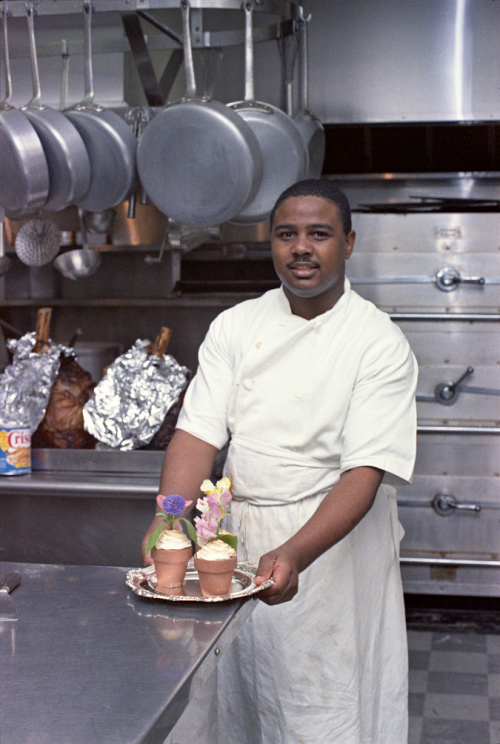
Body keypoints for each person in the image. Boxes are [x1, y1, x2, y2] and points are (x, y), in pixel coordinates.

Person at [141, 179, 418, 744]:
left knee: (321, 708)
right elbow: (196, 435)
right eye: (286, 234)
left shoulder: (377, 341)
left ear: (349, 243)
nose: (300, 248)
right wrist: (170, 518)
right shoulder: (237, 326)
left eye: (319, 234)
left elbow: (363, 474)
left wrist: (295, 551)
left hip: (331, 547)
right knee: (240, 700)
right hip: (243, 540)